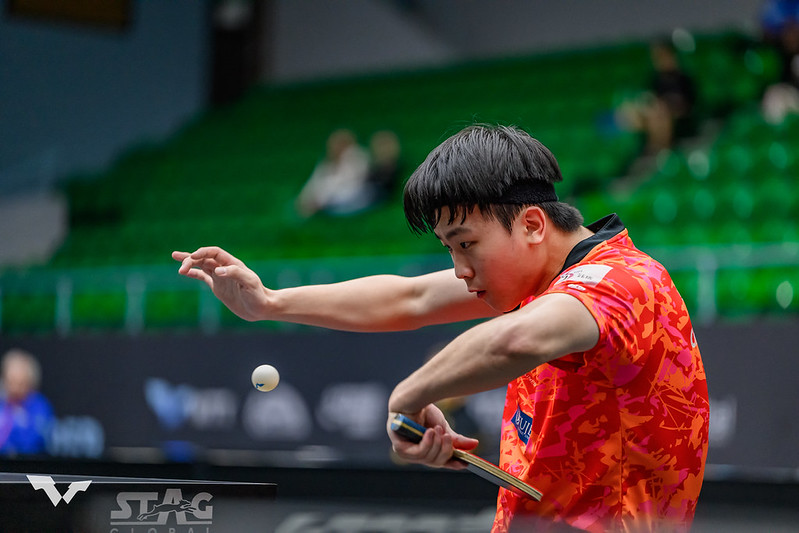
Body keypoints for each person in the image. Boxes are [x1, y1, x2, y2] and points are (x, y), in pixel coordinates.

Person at [173, 124, 709, 532]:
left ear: (531, 224)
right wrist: (268, 302)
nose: (459, 269)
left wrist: (408, 397)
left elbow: (516, 339)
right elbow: (412, 297)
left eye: (466, 244)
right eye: (449, 248)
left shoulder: (620, 283)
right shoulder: (541, 278)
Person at [616, 40, 697, 155]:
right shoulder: (655, 80)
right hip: (656, 119)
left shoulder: (684, 79)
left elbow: (687, 107)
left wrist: (664, 107)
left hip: (680, 125)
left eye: (662, 55)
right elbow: (649, 98)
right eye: (656, 57)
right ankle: (652, 150)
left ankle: (662, 150)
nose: (659, 61)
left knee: (657, 114)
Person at [295, 128, 372, 217]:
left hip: (352, 192)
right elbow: (314, 180)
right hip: (327, 196)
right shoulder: (327, 161)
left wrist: (320, 200)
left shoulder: (356, 158)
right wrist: (303, 197)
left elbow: (341, 182)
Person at [0, 348, 55, 456]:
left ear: (30, 383)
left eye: (20, 383)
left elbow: (35, 442)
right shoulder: (2, 404)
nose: (14, 389)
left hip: (29, 463)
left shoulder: (40, 407)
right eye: (11, 382)